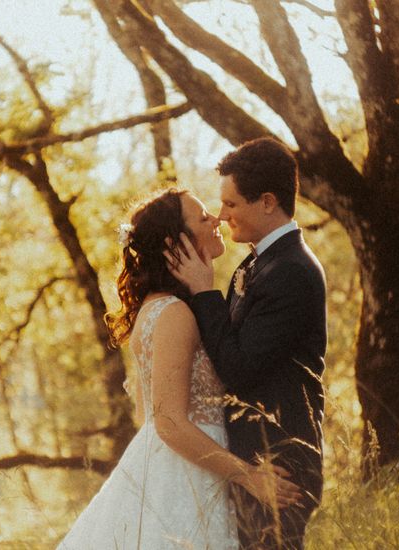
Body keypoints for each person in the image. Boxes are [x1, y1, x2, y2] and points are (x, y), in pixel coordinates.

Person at [59, 188, 302, 550]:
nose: (217, 220)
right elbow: (168, 422)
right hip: (186, 478)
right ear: (177, 243)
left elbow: (147, 414)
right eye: (203, 217)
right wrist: (250, 477)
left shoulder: (160, 308)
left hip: (178, 466)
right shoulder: (173, 313)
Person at [166, 138, 326, 550]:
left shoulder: (290, 271)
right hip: (255, 464)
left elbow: (237, 367)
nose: (222, 215)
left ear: (268, 202)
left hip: (278, 467)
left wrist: (204, 292)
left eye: (232, 204)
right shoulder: (261, 262)